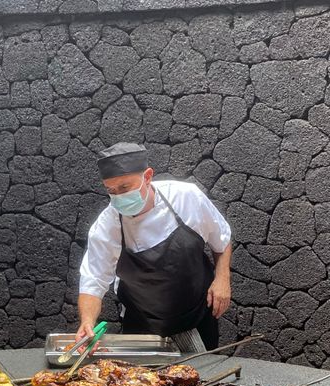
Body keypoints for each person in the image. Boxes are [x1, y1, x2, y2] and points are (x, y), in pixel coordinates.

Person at [76, 142, 232, 350]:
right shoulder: (107, 225)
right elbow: (93, 280)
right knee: (142, 381)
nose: (119, 197)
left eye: (124, 187)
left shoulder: (186, 197)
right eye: (111, 190)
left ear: (147, 176)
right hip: (142, 325)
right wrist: (87, 322)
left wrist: (222, 278)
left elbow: (221, 238)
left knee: (200, 377)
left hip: (196, 316)